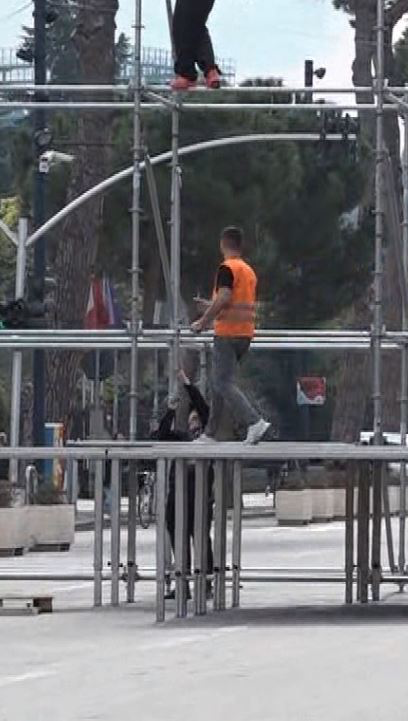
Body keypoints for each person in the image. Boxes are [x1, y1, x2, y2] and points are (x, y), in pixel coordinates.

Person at [190, 226, 271, 444]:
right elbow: (236, 304)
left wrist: (203, 321)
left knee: (223, 382)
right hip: (244, 334)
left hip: (227, 333)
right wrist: (209, 307)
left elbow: (225, 297)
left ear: (222, 244)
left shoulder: (227, 268)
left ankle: (254, 422)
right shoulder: (248, 271)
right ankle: (210, 433)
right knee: (220, 382)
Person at [151, 356, 213, 600]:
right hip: (177, 498)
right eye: (192, 419)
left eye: (197, 419)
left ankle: (206, 581)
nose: (195, 421)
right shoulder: (181, 439)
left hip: (199, 498)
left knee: (201, 539)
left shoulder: (209, 438)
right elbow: (160, 436)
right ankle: (182, 582)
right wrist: (171, 409)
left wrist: (187, 384)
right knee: (179, 540)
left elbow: (203, 407)